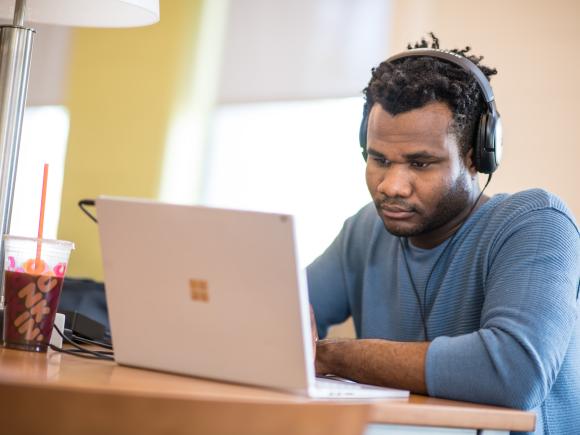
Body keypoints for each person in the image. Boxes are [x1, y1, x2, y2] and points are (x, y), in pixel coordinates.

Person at [307, 34, 579, 435]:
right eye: (379, 159)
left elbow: (514, 374)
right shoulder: (365, 229)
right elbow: (279, 319)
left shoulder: (535, 223)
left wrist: (331, 357)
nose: (392, 185)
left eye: (420, 163)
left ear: (476, 156)